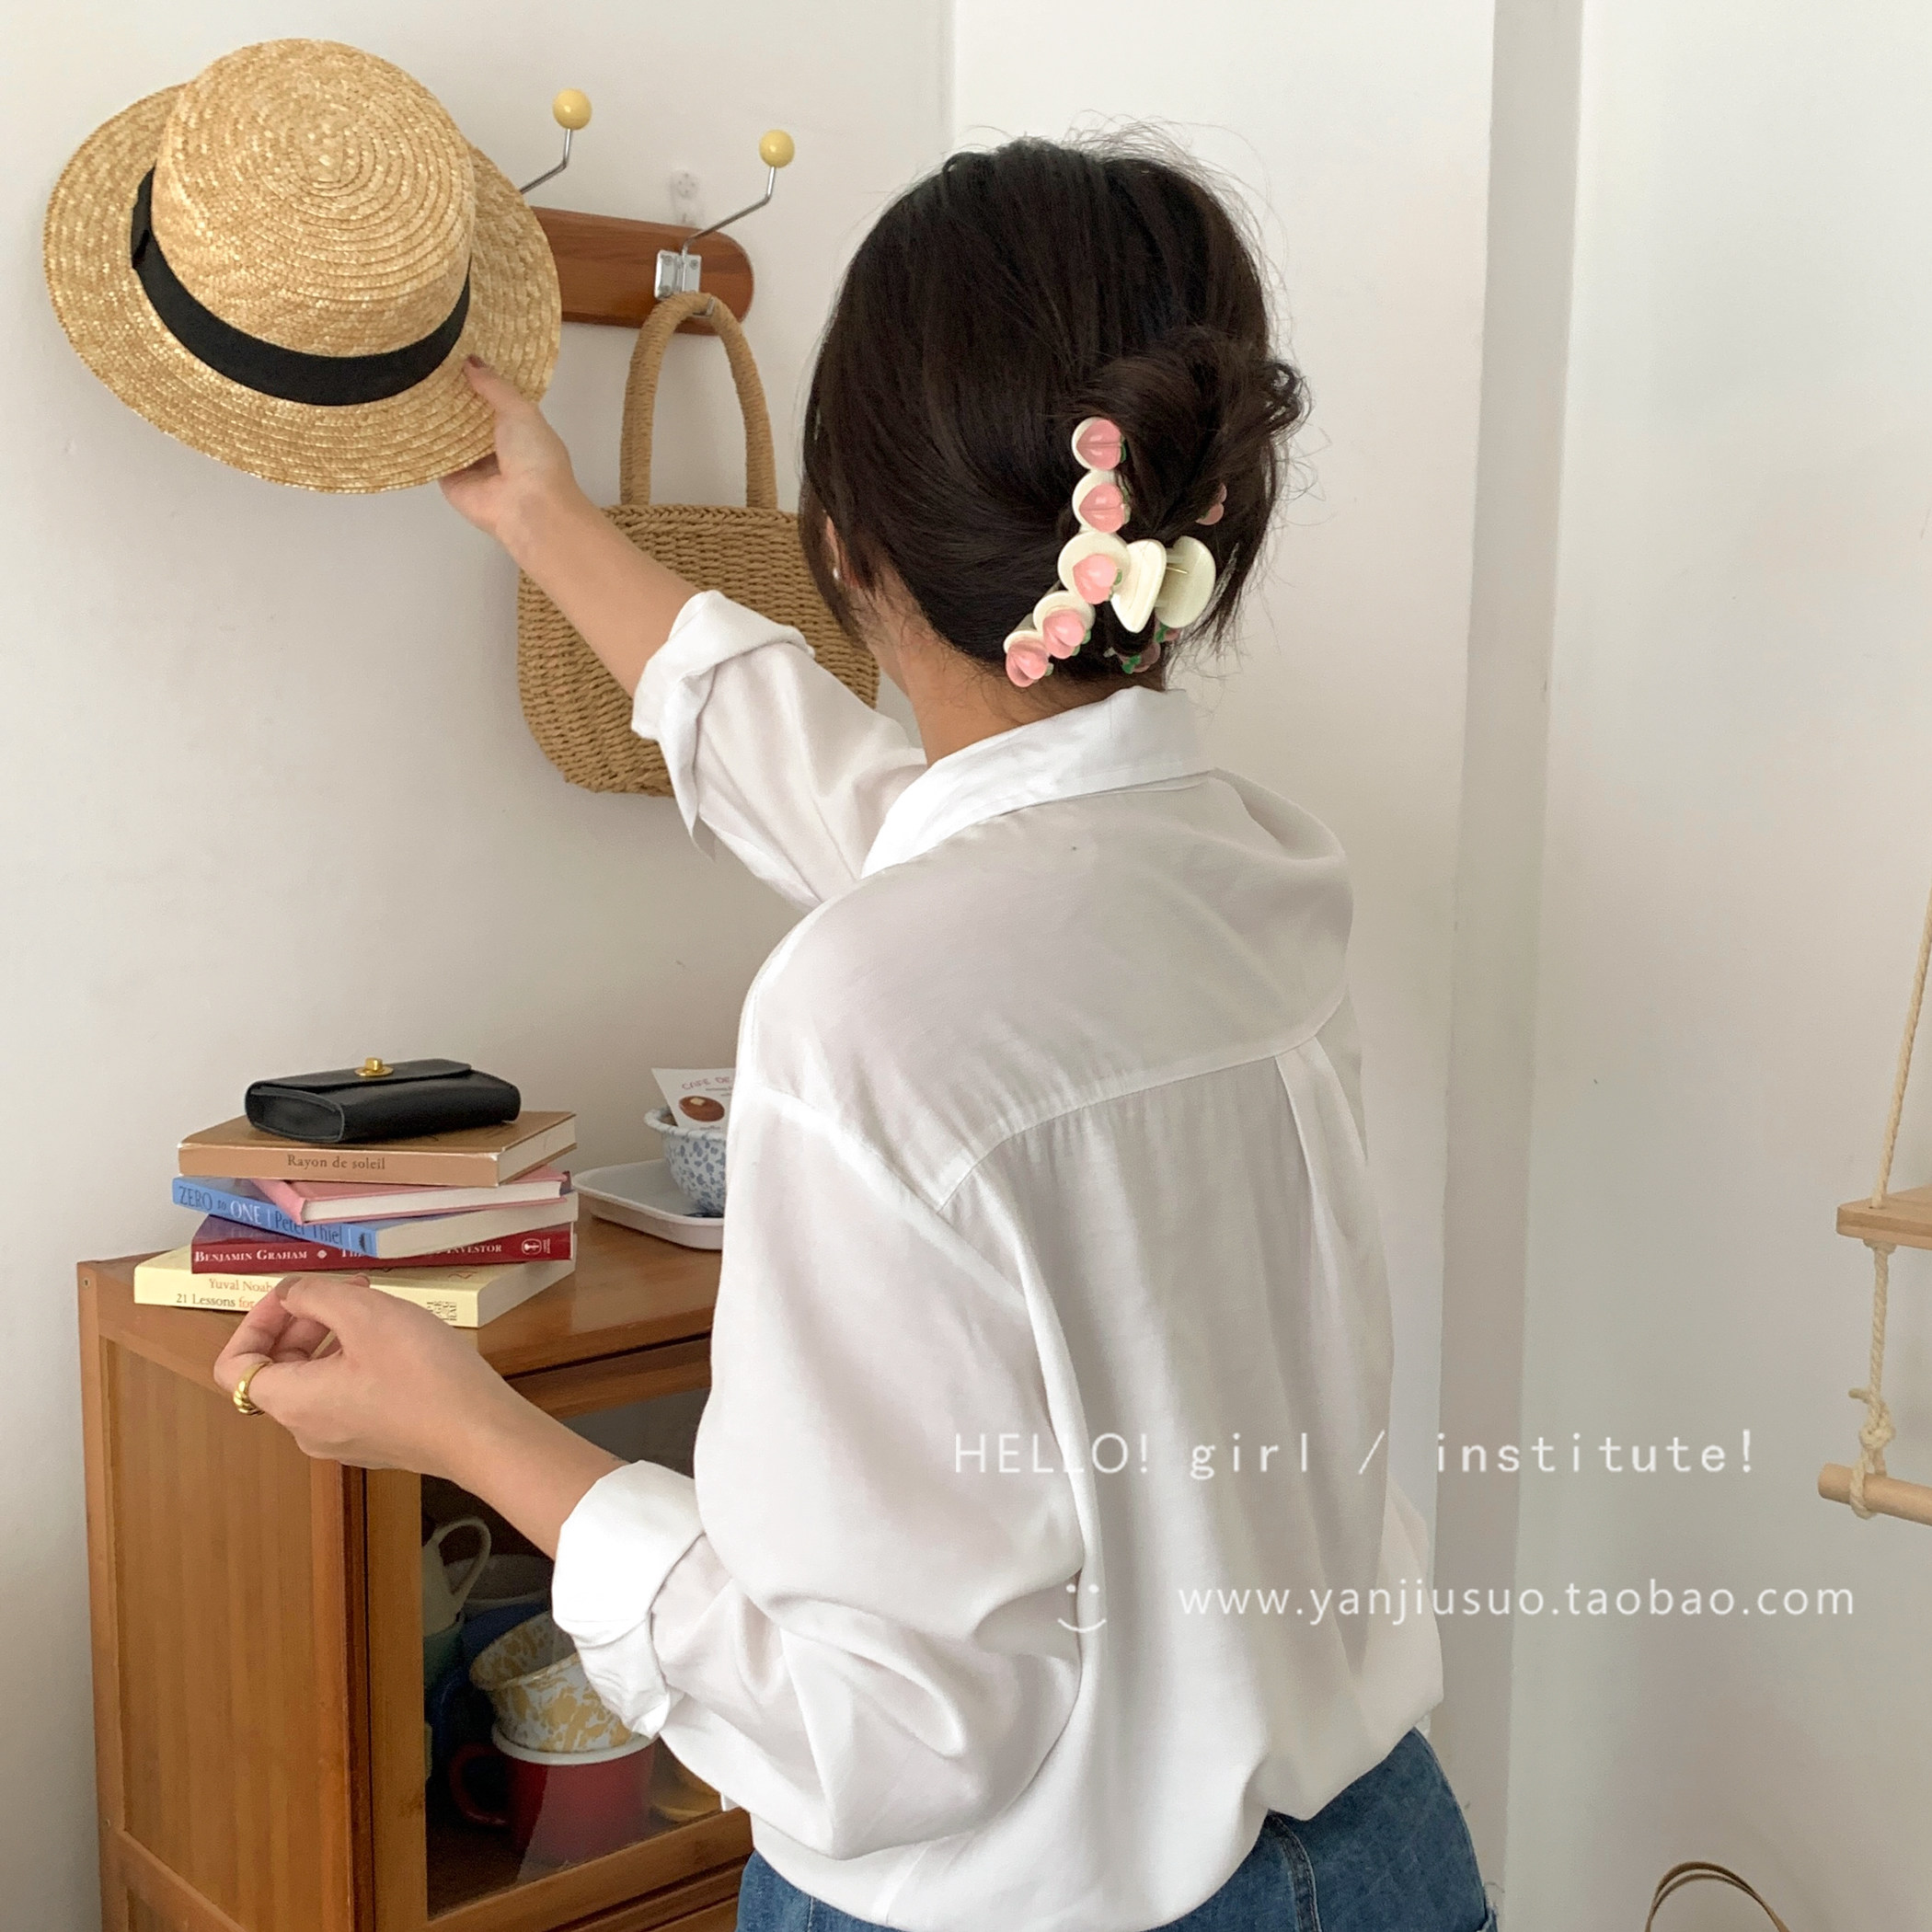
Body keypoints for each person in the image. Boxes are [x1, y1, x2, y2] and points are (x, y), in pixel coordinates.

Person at [213, 136, 1492, 1932]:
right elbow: (900, 825)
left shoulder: (873, 1002)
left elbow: (879, 1729)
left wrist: (474, 1432)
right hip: (1383, 1855)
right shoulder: (1259, 873)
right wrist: (546, 521)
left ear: (843, 545)